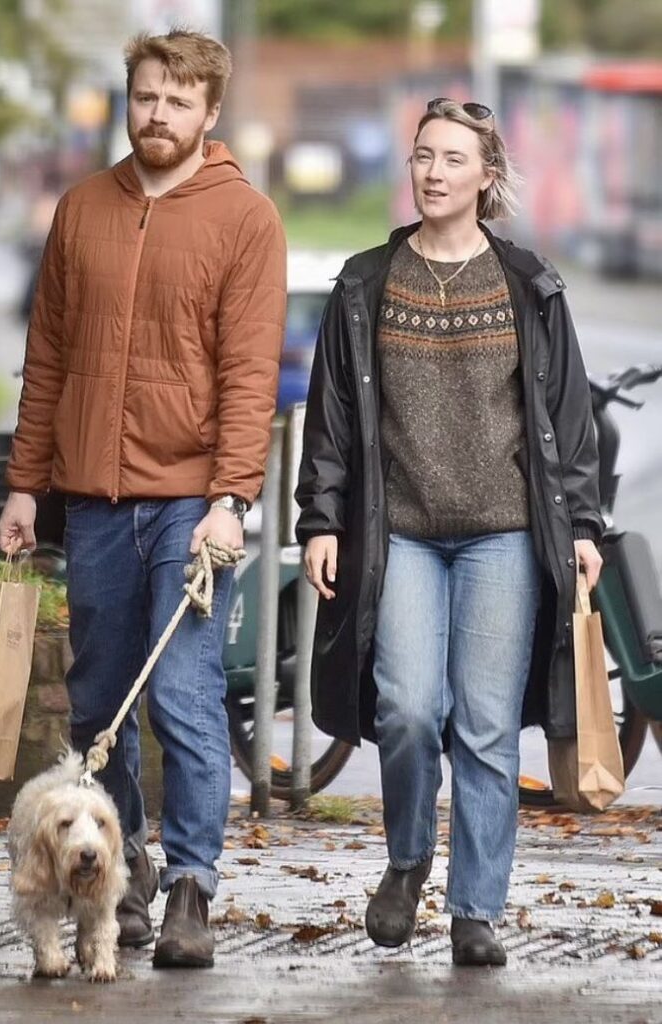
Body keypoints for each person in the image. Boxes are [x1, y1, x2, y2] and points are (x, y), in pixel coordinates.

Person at [0, 27, 287, 969]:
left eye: (177, 101)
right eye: (145, 97)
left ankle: (193, 887)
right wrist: (23, 486)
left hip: (189, 501)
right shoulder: (81, 210)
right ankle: (120, 875)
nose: (157, 114)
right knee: (97, 704)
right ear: (129, 101)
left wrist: (232, 497)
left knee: (184, 697)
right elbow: (46, 359)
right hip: (90, 498)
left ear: (210, 112)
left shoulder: (246, 219)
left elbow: (250, 375)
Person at [295, 98, 602, 967]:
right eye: (422, 155)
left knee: (485, 726)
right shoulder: (365, 283)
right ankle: (405, 858)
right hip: (402, 537)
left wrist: (579, 523)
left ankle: (475, 910)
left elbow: (566, 420)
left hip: (501, 533)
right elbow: (333, 420)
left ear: (485, 176)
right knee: (403, 709)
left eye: (452, 158)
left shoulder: (527, 284)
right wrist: (323, 519)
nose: (432, 171)